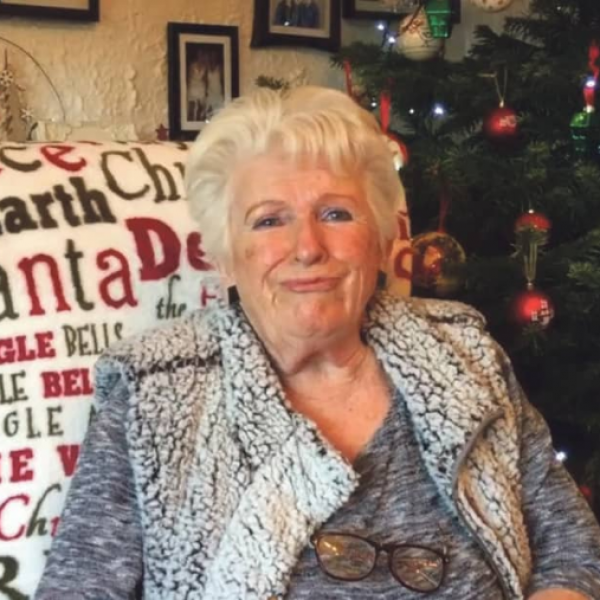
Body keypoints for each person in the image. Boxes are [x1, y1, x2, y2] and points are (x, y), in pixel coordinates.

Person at [35, 86, 600, 599]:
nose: (307, 247)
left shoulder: (465, 356)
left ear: (379, 241)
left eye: (335, 213)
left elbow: (573, 550)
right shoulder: (154, 392)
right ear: (225, 257)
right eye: (268, 221)